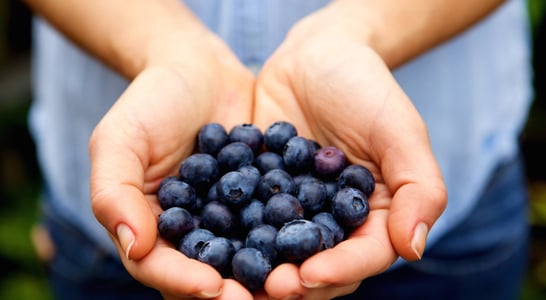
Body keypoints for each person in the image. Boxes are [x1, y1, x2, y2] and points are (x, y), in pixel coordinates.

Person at [22, 0, 532, 299]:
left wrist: (359, 31)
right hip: (115, 222)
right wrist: (165, 46)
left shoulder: (290, 188)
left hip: (450, 217)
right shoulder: (227, 190)